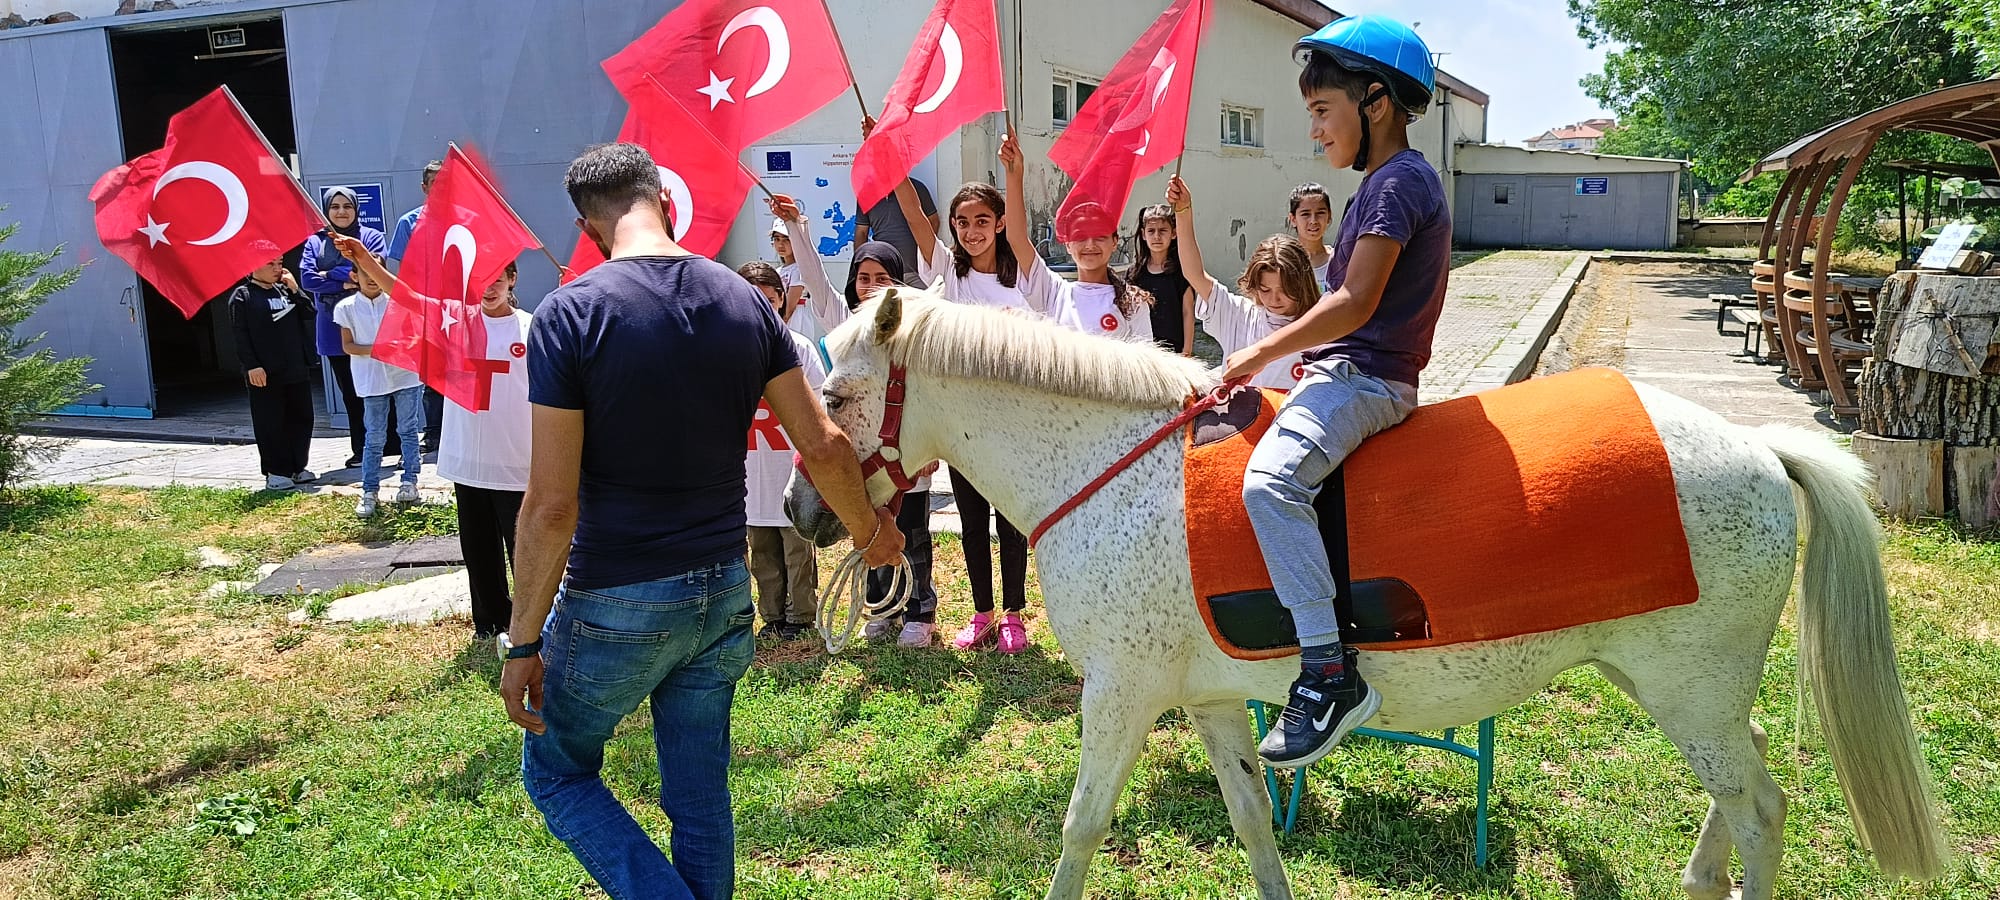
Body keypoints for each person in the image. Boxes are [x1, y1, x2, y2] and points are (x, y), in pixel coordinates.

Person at [498, 142, 901, 899]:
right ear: (667, 204)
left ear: (589, 231)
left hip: (616, 592)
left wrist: (523, 641)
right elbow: (823, 442)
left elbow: (552, 507)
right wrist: (874, 535)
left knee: (556, 773)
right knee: (699, 795)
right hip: (722, 591)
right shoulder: (745, 300)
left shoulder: (569, 313)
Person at [1226, 16, 1452, 768]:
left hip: (1367, 377)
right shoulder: (1377, 190)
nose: (1317, 131)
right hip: (1341, 370)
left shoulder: (1397, 184)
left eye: (1324, 111)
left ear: (1376, 101)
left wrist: (1254, 351)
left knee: (1268, 485)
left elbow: (1353, 304)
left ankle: (1328, 671)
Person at [892, 170, 1036, 653]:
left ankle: (1015, 615)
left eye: (981, 221)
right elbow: (913, 216)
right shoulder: (948, 274)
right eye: (961, 222)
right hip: (962, 428)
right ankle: (982, 614)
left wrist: (1014, 176)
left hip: (1013, 426)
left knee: (1009, 523)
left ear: (999, 225)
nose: (971, 231)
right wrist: (893, 169)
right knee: (972, 524)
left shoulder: (1026, 283)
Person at [737, 260, 827, 642]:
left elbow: (820, 406)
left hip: (789, 469)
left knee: (797, 548)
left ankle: (801, 615)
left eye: (770, 300)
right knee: (762, 550)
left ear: (781, 303)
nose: (762, 309)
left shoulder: (798, 347)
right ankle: (772, 615)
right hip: (749, 470)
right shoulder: (727, 350)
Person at [1169, 176, 1320, 390]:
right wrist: (1183, 212)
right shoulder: (1239, 314)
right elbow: (1195, 275)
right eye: (1265, 289)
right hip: (1239, 421)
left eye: (1285, 291)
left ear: (1303, 285)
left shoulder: (1321, 325)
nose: (1274, 299)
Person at [1001, 134, 1154, 342]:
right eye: (1081, 237)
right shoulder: (1054, 292)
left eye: (1099, 236)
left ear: (1114, 241)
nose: (1090, 245)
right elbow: (1017, 239)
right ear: (1068, 244)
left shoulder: (1133, 302)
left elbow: (1144, 367)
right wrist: (1014, 174)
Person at [301, 186, 392, 468]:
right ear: (326, 211)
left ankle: (393, 446)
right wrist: (346, 279)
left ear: (356, 209)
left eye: (347, 206)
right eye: (335, 207)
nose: (341, 212)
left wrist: (329, 272)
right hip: (333, 325)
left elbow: (375, 269)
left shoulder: (371, 238)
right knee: (352, 391)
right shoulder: (315, 242)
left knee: (387, 384)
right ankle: (361, 448)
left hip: (374, 322)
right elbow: (307, 279)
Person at [333, 255, 424, 516]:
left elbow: (414, 336)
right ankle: (370, 490)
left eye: (377, 272)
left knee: (407, 429)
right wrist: (379, 349)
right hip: (371, 379)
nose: (372, 279)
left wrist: (401, 347)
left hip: (405, 375)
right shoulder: (346, 307)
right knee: (374, 436)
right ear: (355, 277)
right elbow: (348, 346)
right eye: (365, 273)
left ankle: (410, 481)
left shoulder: (399, 303)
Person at [228, 250, 317, 492]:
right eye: (271, 264)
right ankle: (276, 471)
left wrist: (295, 289)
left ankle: (298, 467)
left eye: (280, 263)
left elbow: (309, 313)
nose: (277, 269)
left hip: (295, 367)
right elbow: (240, 335)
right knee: (271, 422)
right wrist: (251, 365)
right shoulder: (243, 296)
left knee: (302, 418)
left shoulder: (284, 290)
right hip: (265, 372)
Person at [386, 160, 448, 454]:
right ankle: (434, 433)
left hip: (462, 308)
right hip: (424, 311)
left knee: (465, 370)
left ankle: (462, 430)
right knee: (432, 375)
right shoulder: (409, 223)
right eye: (436, 183)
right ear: (425, 188)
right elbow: (399, 273)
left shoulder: (467, 220)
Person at [852, 120, 939, 284]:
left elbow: (933, 221)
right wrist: (860, 265)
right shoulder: (866, 194)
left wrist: (926, 254)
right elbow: (861, 233)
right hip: (884, 275)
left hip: (917, 273)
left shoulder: (917, 189)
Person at [1127, 204, 1195, 356]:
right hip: (1143, 350)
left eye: (1163, 230)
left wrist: (1187, 351)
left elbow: (1188, 312)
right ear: (1144, 234)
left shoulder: (1182, 272)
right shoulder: (1134, 273)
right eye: (1151, 231)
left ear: (1174, 233)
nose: (1157, 236)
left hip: (1174, 351)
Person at [1288, 182, 1336, 289]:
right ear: (1293, 219)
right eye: (1305, 214)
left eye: (1320, 213)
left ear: (1329, 216)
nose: (1313, 221)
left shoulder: (1339, 260)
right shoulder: (1284, 261)